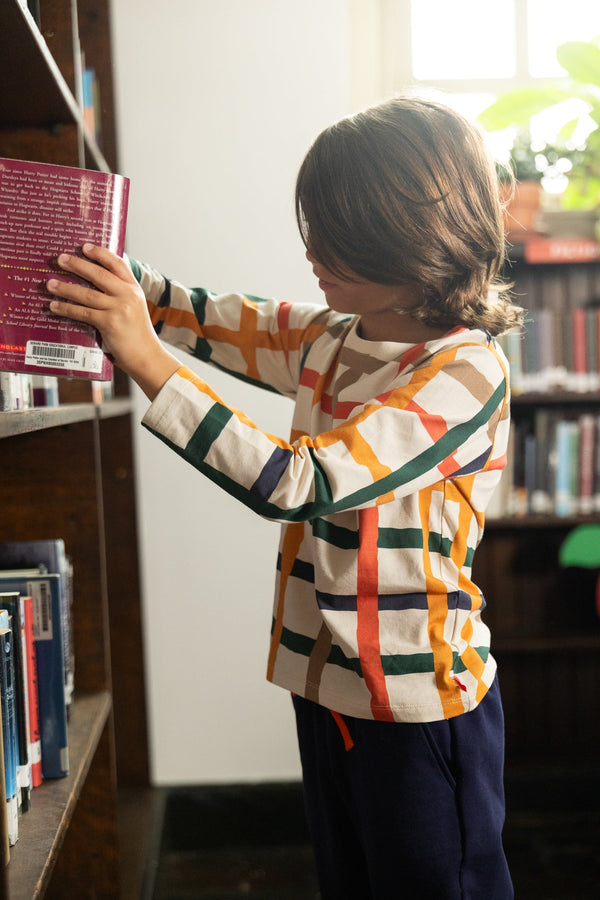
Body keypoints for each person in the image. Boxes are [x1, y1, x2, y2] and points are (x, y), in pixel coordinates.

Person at [47, 95, 524, 899]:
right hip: (324, 687)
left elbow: (298, 482)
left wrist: (145, 359)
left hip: (418, 705)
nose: (311, 251)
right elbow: (202, 316)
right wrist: (124, 284)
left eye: (336, 236)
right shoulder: (334, 336)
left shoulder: (465, 374)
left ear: (412, 239)